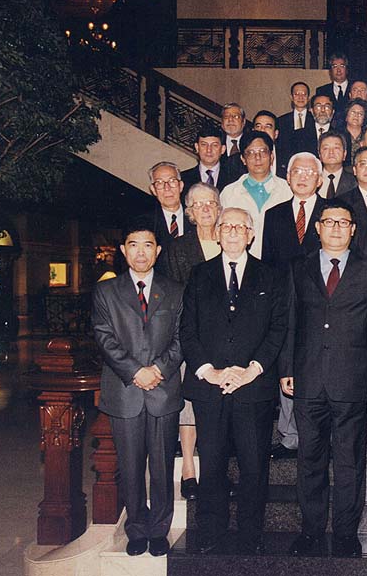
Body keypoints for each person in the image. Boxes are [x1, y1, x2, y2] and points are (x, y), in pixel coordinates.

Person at [180, 207, 288, 556]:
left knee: (253, 466)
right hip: (209, 387)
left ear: (250, 234)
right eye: (226, 226)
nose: (231, 232)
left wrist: (251, 370)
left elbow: (278, 328)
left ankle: (250, 534)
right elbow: (188, 329)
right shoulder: (199, 274)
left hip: (253, 388)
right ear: (217, 233)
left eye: (239, 227)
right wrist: (208, 371)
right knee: (211, 463)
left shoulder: (271, 276)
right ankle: (210, 531)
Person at [281, 200, 367, 558]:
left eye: (343, 222)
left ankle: (345, 533)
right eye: (329, 221)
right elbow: (290, 320)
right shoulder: (299, 267)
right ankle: (310, 532)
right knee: (310, 459)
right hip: (307, 376)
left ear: (353, 229)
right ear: (317, 227)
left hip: (351, 377)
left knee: (349, 461)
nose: (336, 228)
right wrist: (286, 368)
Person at [92, 220, 184, 558]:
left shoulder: (175, 290)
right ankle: (136, 528)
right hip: (124, 390)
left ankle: (159, 529)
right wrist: (135, 372)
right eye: (133, 245)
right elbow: (104, 337)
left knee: (162, 466)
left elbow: (182, 337)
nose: (141, 252)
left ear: (157, 251)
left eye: (147, 245)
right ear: (123, 250)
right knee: (130, 467)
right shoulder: (106, 291)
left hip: (163, 389)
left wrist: (157, 370)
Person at [156, 182, 222, 500]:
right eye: (198, 204)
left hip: (227, 339)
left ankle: (215, 469)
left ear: (219, 208)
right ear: (190, 212)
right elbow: (172, 296)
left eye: (211, 203)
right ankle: (188, 470)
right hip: (191, 337)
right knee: (190, 408)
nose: (205, 209)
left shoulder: (230, 238)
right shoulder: (178, 248)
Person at [262, 152, 327, 460]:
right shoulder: (274, 215)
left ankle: (319, 435)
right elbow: (267, 263)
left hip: (322, 302)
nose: (303, 177)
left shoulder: (332, 212)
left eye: (309, 172)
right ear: (287, 178)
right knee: (286, 364)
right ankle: (289, 435)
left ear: (320, 179)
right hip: (284, 302)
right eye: (297, 171)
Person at [220, 131, 292, 258]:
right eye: (251, 152)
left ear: (271, 156)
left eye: (263, 151)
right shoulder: (229, 193)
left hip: (279, 263)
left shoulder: (287, 190)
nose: (257, 157)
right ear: (243, 159)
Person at [144, 161, 193, 245]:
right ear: (153, 190)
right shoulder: (145, 223)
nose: (167, 188)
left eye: (172, 181)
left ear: (181, 186)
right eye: (159, 182)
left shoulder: (196, 217)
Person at [180, 125, 231, 194]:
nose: (209, 150)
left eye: (214, 145)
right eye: (204, 145)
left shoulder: (234, 178)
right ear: (197, 147)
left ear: (222, 149)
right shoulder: (183, 178)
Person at [316, 52, 350, 127]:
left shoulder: (354, 89)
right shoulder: (322, 90)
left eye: (342, 66)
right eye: (334, 66)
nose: (338, 70)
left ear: (347, 69)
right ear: (330, 71)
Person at [318, 131, 356, 198]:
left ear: (344, 154)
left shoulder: (355, 182)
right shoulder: (312, 180)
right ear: (319, 155)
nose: (331, 152)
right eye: (326, 148)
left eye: (336, 148)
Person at [252, 110, 285, 178]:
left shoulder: (287, 156)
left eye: (268, 126)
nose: (262, 130)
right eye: (258, 126)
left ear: (276, 134)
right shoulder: (243, 158)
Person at [342, 98, 367, 162]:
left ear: (364, 119)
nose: (356, 115)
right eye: (353, 112)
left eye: (360, 114)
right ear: (346, 116)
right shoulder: (338, 136)